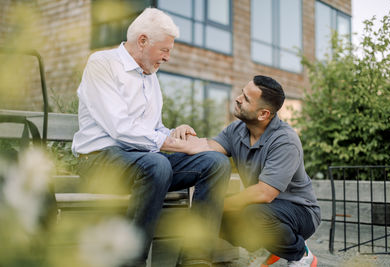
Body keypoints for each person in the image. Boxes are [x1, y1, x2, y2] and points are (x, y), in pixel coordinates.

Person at [71, 8, 230, 267]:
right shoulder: (102, 63)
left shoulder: (150, 76)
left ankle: (196, 258)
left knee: (215, 163)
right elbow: (120, 128)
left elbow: (152, 128)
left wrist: (176, 134)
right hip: (99, 161)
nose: (167, 58)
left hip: (145, 163)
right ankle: (132, 260)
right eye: (164, 50)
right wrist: (172, 144)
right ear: (143, 41)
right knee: (157, 164)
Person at [203, 75, 321, 267]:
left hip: (301, 212)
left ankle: (300, 253)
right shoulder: (236, 130)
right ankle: (272, 245)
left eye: (246, 99)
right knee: (217, 219)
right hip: (266, 209)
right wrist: (176, 137)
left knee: (251, 213)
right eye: (242, 93)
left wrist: (217, 204)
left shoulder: (285, 140)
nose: (238, 99)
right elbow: (208, 147)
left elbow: (264, 193)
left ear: (263, 114)